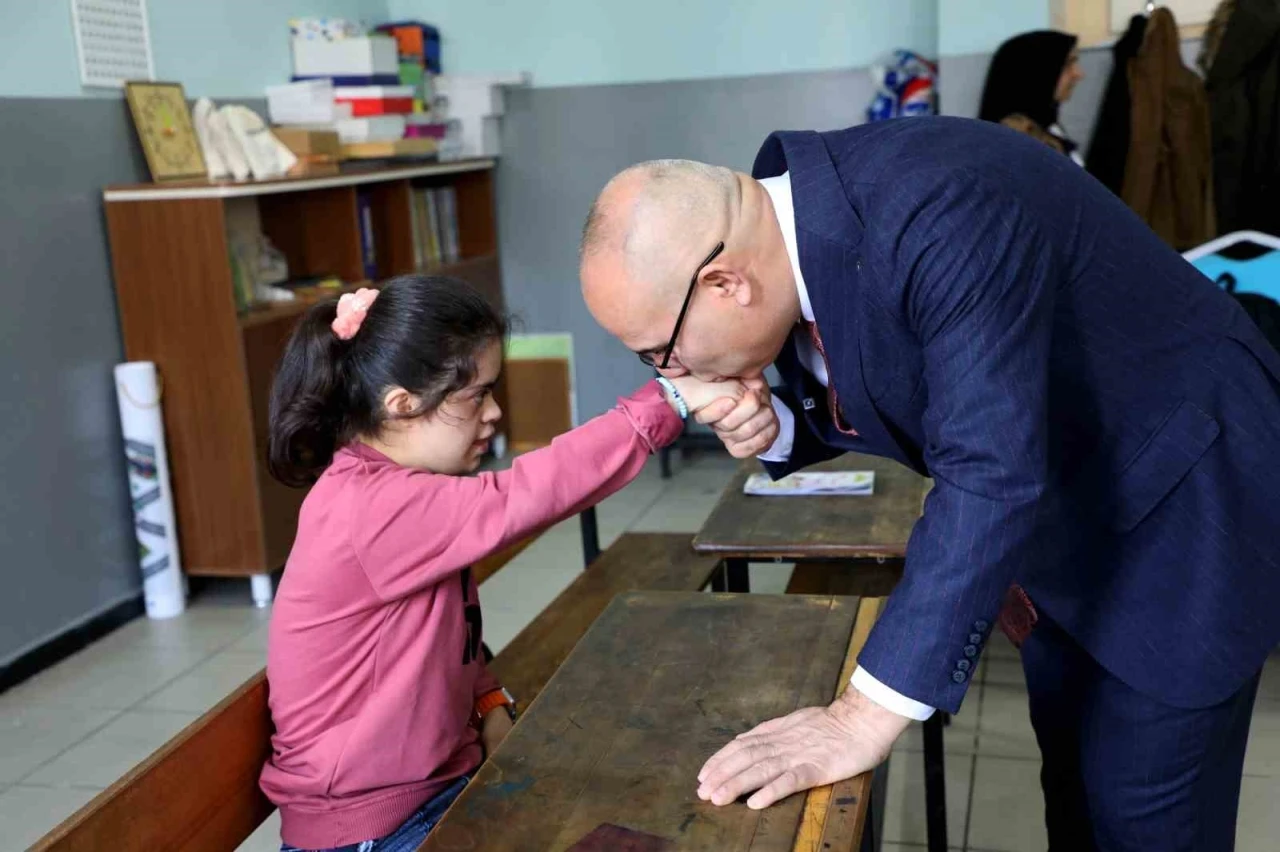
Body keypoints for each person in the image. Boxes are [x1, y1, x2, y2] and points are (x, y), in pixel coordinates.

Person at [578, 118, 1280, 850]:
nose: (674, 377)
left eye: (659, 353)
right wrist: (777, 425)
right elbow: (902, 376)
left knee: (1140, 816)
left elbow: (988, 468)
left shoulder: (937, 209)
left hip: (1186, 502)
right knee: (1074, 791)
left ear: (725, 283)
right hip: (1073, 516)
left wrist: (859, 717)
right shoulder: (808, 224)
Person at [260, 275, 741, 851]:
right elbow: (526, 494)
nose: (494, 413)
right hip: (373, 829)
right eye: (476, 395)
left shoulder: (394, 491)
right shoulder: (369, 507)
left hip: (430, 788)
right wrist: (669, 400)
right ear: (402, 405)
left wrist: (487, 700)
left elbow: (437, 635)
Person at [979, 30, 1085, 164]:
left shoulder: (1045, 126)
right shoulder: (1014, 142)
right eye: (1068, 64)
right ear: (1036, 71)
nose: (1078, 74)